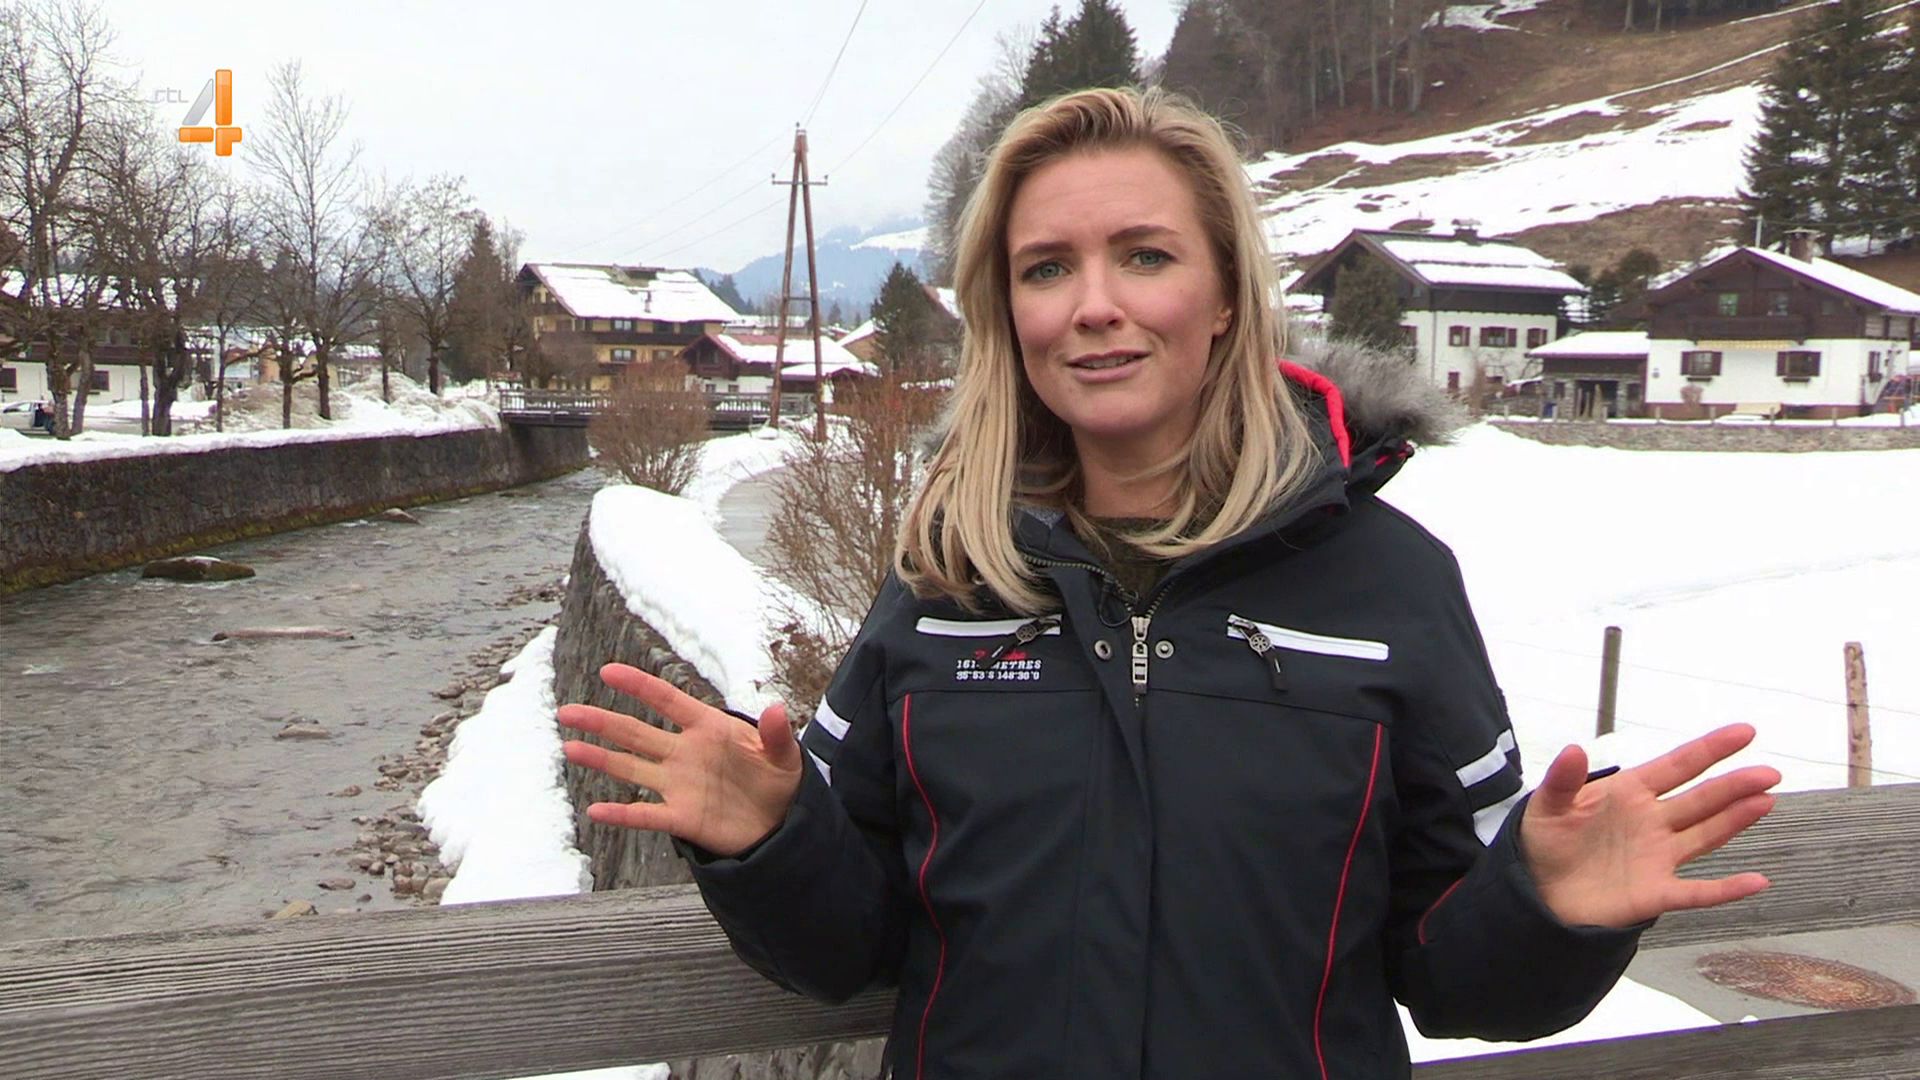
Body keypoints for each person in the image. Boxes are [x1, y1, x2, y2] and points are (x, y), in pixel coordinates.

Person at [558, 87, 1780, 1079]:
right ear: (1007, 313)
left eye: (1144, 256)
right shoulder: (946, 577)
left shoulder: (1390, 583)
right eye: (1047, 268)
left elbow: (1452, 977)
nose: (1094, 307)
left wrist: (1545, 907)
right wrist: (773, 838)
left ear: (1227, 298)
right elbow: (854, 947)